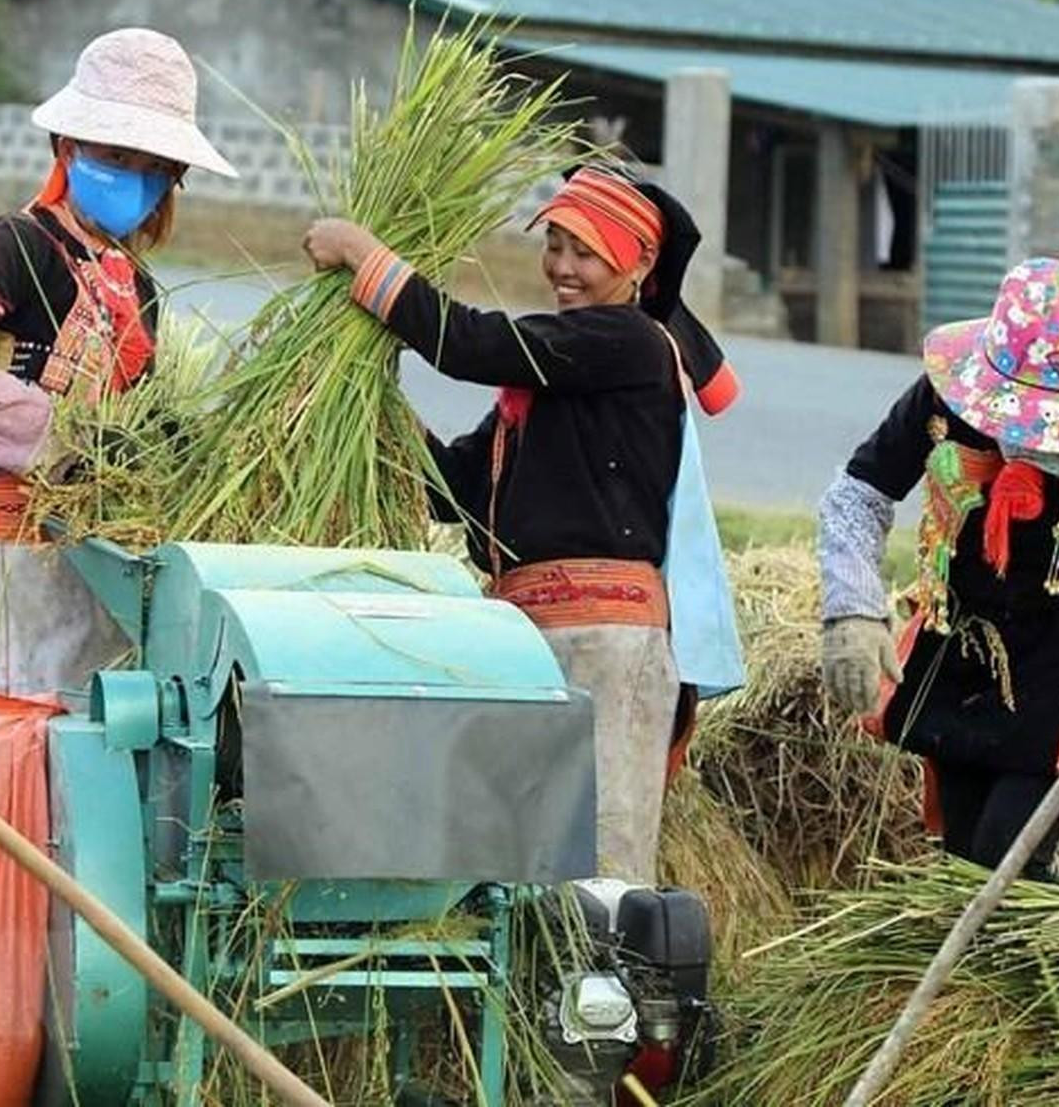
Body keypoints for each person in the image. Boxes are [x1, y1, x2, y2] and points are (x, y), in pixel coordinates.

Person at [302, 166, 744, 883]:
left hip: (608, 643)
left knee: (599, 861)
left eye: (586, 252)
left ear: (636, 265)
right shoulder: (545, 385)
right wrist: (371, 407)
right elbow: (457, 491)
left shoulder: (627, 341)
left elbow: (473, 344)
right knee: (516, 858)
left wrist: (363, 254)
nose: (563, 268)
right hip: (524, 637)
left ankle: (610, 996)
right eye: (555, 246)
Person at [818, 257, 1059, 879]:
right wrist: (852, 610)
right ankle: (986, 973)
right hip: (961, 645)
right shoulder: (942, 402)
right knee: (963, 854)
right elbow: (859, 495)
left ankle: (1044, 966)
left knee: (1008, 860)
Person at [0, 27, 236, 696]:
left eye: (156, 168)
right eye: (118, 156)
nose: (138, 179)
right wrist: (61, 440)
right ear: (67, 147)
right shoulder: (15, 244)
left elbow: (132, 411)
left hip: (86, 560)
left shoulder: (136, 283)